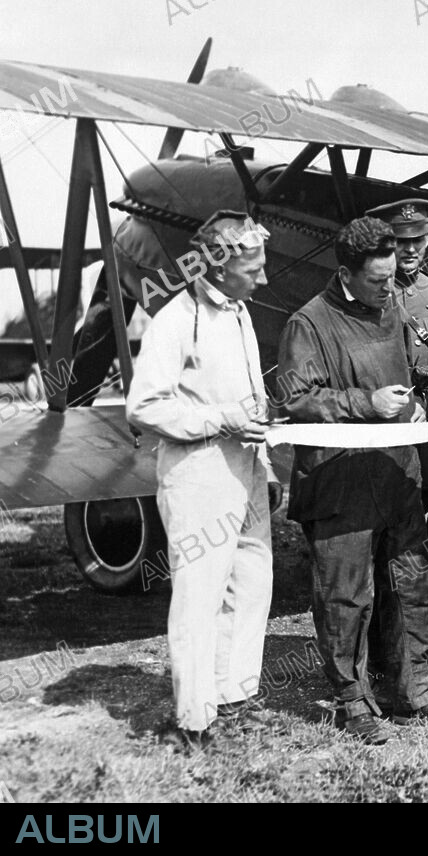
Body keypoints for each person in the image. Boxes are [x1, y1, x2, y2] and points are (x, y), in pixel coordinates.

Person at [276, 216, 428, 746]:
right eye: (377, 280)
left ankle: (411, 687)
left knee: (416, 582)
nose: (388, 287)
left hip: (395, 474)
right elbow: (294, 400)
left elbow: (399, 379)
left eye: (392, 275)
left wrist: (413, 404)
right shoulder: (308, 323)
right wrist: (365, 405)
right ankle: (352, 700)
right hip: (339, 480)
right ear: (346, 274)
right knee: (346, 598)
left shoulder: (392, 308)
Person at [126, 210, 280, 752]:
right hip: (197, 473)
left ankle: (236, 699)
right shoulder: (176, 319)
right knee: (199, 595)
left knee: (251, 585)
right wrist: (219, 420)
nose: (263, 280)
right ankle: (195, 719)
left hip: (245, 470)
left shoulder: (239, 313)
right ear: (216, 268)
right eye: (252, 270)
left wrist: (265, 467)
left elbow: (251, 400)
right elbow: (144, 406)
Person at [364, 198, 428, 536]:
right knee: (387, 494)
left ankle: (426, 571)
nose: (410, 250)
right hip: (390, 408)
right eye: (400, 242)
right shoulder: (370, 294)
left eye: (417, 240)